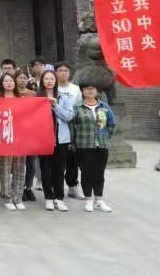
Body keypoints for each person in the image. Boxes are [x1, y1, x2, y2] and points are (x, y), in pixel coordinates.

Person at [72, 81, 117, 213]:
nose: (90, 91)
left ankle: (99, 200)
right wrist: (74, 142)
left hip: (101, 145)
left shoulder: (104, 106)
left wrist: (105, 137)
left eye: (92, 88)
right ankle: (88, 200)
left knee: (99, 173)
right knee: (86, 172)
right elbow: (73, 126)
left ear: (97, 91)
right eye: (86, 89)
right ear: (82, 91)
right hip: (84, 145)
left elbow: (112, 123)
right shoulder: (77, 107)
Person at [38, 70, 76, 211]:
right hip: (43, 139)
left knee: (59, 169)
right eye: (46, 79)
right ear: (42, 81)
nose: (49, 81)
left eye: (51, 79)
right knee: (45, 169)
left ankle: (59, 198)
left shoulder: (62, 97)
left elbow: (69, 116)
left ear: (55, 81)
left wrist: (55, 106)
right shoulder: (37, 97)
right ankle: (48, 197)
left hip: (61, 139)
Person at [55, 61, 86, 200]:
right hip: (56, 127)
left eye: (66, 70)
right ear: (55, 72)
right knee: (58, 160)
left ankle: (73, 186)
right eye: (60, 70)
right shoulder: (53, 87)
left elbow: (79, 107)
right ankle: (57, 187)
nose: (63, 73)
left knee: (72, 159)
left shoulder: (75, 89)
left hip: (72, 127)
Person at [0, 72, 27, 211]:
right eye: (6, 81)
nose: (9, 83)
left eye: (11, 81)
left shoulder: (22, 99)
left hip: (20, 138)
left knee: (20, 169)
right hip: (4, 139)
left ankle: (18, 197)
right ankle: (7, 197)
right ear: (1, 83)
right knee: (5, 169)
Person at [15, 68, 38, 202]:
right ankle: (18, 187)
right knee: (18, 164)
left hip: (30, 133)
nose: (22, 80)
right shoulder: (12, 94)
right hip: (16, 133)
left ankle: (28, 187)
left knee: (31, 163)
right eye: (20, 78)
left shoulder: (33, 94)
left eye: (24, 78)